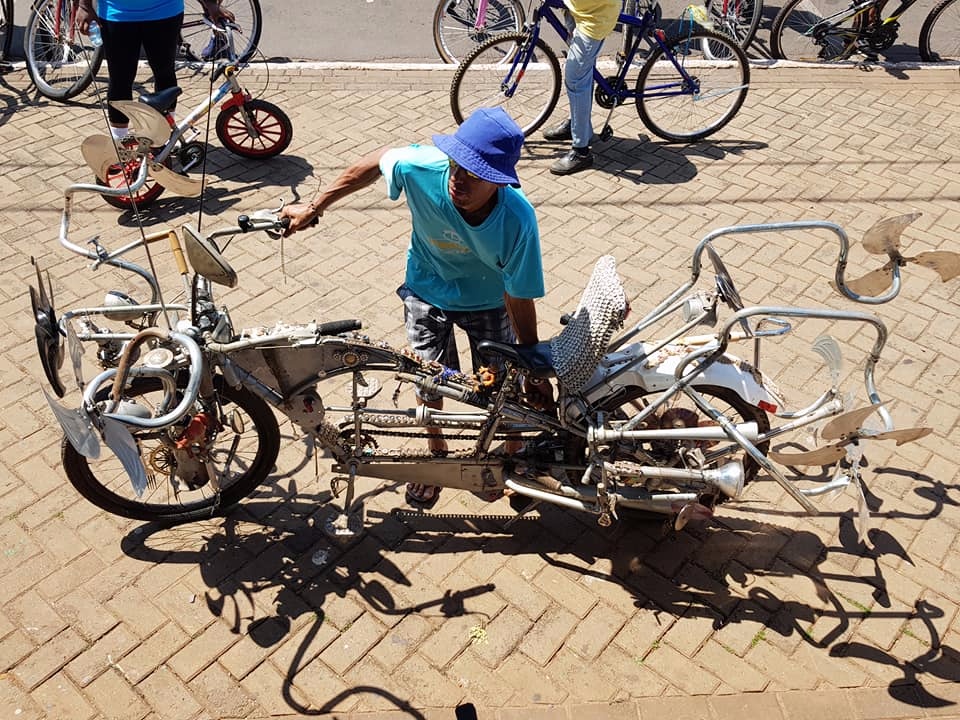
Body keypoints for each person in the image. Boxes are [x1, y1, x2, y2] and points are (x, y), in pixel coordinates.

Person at [281, 107, 552, 509]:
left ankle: (510, 458)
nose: (460, 179)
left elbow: (518, 296)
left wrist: (531, 363)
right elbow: (374, 162)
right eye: (457, 165)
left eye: (475, 174)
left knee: (504, 385)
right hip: (426, 291)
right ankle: (436, 456)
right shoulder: (422, 168)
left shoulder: (517, 220)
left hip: (488, 301)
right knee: (428, 381)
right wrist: (314, 207)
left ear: (499, 180)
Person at [76, 0, 233, 140]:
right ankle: (119, 144)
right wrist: (84, 5)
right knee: (120, 80)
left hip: (165, 12)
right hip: (117, 14)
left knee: (165, 74)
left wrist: (210, 4)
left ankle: (165, 139)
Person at [541, 0, 621, 175]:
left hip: (594, 17)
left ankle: (581, 151)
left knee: (576, 80)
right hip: (578, 9)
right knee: (583, 73)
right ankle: (578, 126)